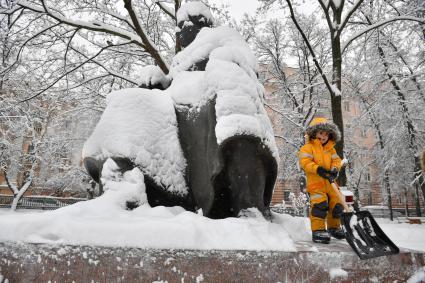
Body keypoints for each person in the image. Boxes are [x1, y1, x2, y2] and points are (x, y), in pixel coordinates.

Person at [298, 117, 344, 244]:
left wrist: (335, 168)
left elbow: (337, 160)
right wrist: (318, 169)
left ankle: (334, 227)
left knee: (336, 204)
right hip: (316, 184)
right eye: (320, 133)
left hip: (331, 183)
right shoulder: (307, 148)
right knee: (319, 205)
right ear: (314, 133)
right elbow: (305, 163)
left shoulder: (331, 149)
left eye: (326, 134)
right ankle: (318, 230)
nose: (323, 136)